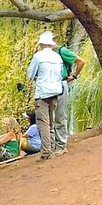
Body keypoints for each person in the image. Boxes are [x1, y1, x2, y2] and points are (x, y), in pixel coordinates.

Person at [27, 32, 64, 160]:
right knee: (51, 121)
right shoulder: (57, 57)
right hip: (55, 91)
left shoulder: (38, 57)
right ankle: (52, 147)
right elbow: (60, 75)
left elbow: (30, 75)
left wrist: (39, 77)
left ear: (42, 44)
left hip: (42, 93)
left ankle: (46, 152)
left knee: (43, 123)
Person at [54, 40, 85, 155]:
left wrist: (74, 76)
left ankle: (61, 145)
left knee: (60, 115)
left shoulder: (62, 51)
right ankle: (52, 145)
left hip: (60, 84)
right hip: (47, 86)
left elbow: (80, 61)